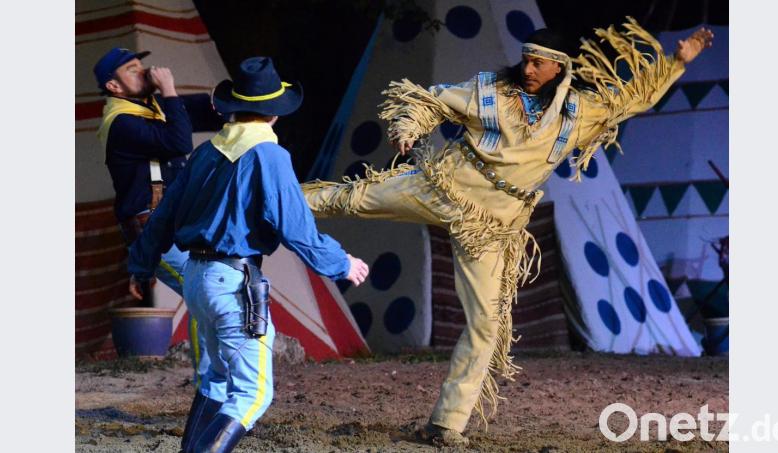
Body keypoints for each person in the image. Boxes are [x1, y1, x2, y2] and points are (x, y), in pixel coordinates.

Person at [302, 18, 714, 446]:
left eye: (538, 63)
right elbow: (434, 101)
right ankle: (267, 199)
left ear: (559, 69)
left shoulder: (576, 114)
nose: (529, 69)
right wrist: (408, 127)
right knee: (350, 198)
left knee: (488, 325)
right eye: (526, 60)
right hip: (445, 187)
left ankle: (447, 424)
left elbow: (630, 100)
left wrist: (674, 62)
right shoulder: (491, 93)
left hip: (490, 226)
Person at [127, 56, 370, 453]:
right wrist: (341, 262)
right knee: (252, 396)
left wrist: (140, 266)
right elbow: (294, 227)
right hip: (231, 282)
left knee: (217, 380)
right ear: (274, 114)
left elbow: (164, 216)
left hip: (198, 279)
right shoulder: (269, 156)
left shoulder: (206, 153)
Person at [94, 47, 217, 384]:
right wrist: (170, 90)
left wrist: (250, 99)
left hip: (173, 225)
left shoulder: (151, 110)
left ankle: (213, 384)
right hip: (151, 231)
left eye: (141, 65)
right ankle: (208, 385)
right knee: (204, 294)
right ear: (115, 87)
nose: (144, 71)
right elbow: (179, 142)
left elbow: (210, 111)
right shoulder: (122, 122)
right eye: (132, 70)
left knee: (208, 293)